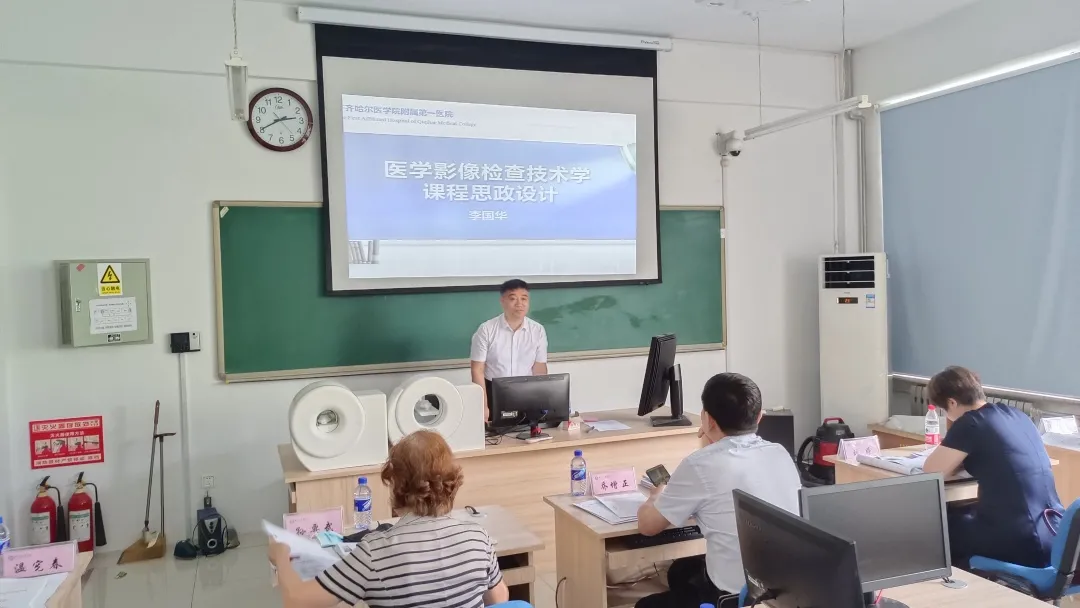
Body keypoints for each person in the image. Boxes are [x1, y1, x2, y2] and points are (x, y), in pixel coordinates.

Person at [268, 430, 509, 608]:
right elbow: (499, 598)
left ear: (396, 484)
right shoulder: (478, 537)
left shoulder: (374, 552)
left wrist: (281, 556)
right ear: (450, 482)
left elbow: (296, 601)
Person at [634, 373, 803, 608]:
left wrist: (655, 496)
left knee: (645, 606)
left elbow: (648, 526)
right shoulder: (780, 453)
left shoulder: (699, 465)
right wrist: (711, 440)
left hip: (735, 597)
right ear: (759, 416)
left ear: (708, 419)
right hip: (785, 591)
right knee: (680, 571)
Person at [923, 365, 1063, 569]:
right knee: (966, 513)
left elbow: (930, 472)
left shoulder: (971, 422)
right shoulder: (1017, 415)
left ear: (952, 402)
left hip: (1018, 540)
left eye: (944, 410)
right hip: (1055, 533)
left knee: (937, 527)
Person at [470, 279, 548, 421]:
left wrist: (542, 401)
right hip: (494, 391)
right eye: (513, 298)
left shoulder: (538, 330)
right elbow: (477, 370)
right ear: (502, 301)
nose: (519, 303)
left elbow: (539, 368)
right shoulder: (486, 330)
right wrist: (483, 405)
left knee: (528, 430)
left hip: (527, 391)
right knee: (495, 432)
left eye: (524, 298)